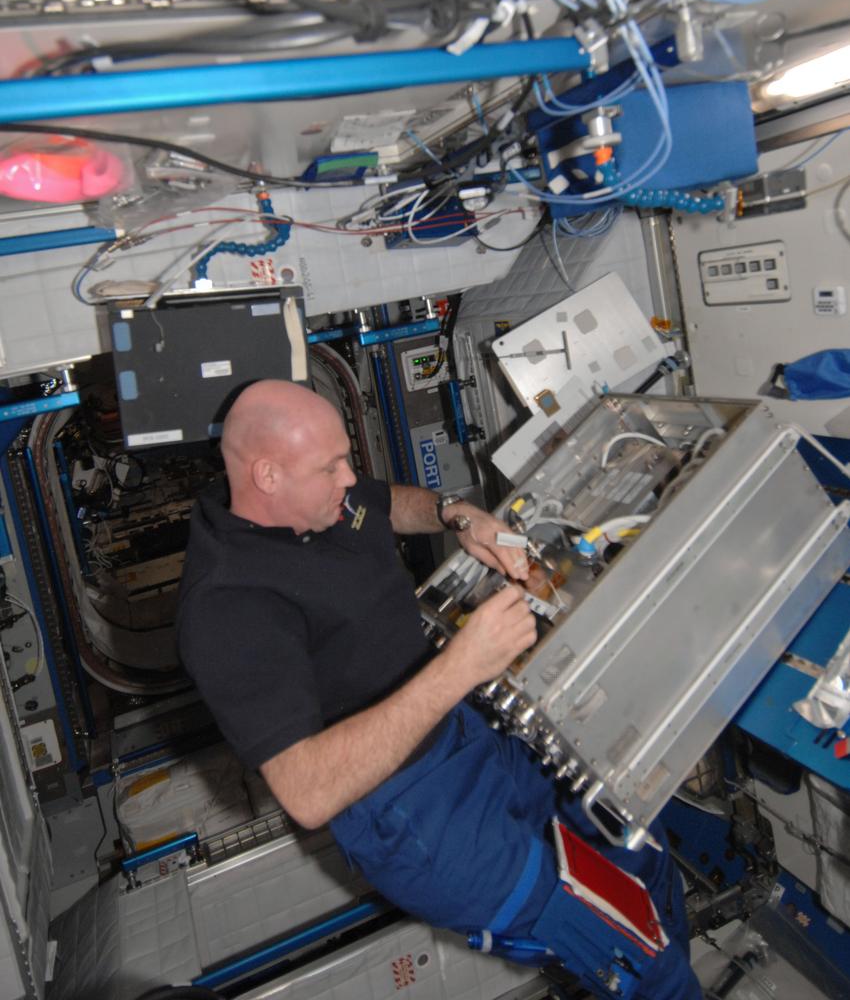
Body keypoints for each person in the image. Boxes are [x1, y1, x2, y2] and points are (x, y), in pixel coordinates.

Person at [177, 380, 702, 999]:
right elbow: (308, 792)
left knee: (635, 844)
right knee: (634, 955)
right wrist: (460, 665)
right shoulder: (226, 606)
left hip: (464, 735)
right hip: (414, 814)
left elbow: (385, 503)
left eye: (346, 458)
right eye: (332, 467)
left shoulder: (310, 497)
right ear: (267, 475)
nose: (349, 478)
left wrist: (457, 515)